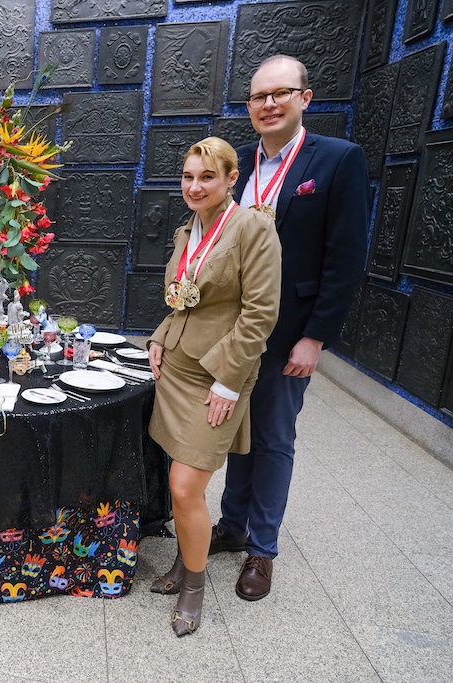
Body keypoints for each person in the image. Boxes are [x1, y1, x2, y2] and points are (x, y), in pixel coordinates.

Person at [209, 55, 369, 601]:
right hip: (235, 332)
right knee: (235, 430)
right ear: (249, 107)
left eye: (281, 93)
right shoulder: (240, 166)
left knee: (274, 438)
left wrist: (315, 336)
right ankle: (231, 527)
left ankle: (262, 549)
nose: (269, 104)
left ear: (305, 98)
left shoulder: (339, 160)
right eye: (258, 97)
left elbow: (346, 257)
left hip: (289, 332)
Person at [146, 137, 282, 636]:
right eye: (188, 176)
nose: (195, 186)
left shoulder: (252, 228)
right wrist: (161, 336)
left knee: (186, 485)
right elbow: (185, 300)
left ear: (231, 179)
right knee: (182, 489)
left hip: (218, 377)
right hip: (178, 368)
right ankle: (185, 562)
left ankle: (194, 586)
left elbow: (260, 313)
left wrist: (228, 380)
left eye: (207, 177)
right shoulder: (189, 230)